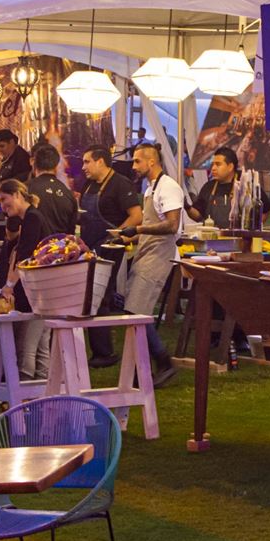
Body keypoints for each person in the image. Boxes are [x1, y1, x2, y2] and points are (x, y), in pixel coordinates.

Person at [118, 144, 183, 386]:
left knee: (136, 313)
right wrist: (127, 238)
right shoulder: (150, 189)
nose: (134, 166)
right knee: (134, 312)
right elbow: (150, 227)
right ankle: (142, 370)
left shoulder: (169, 187)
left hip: (159, 256)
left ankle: (161, 363)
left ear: (151, 162)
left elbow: (172, 225)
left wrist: (137, 229)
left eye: (137, 161)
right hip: (146, 252)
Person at [80, 145, 143, 367]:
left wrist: (115, 236)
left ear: (100, 162)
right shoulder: (89, 184)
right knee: (89, 295)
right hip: (88, 244)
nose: (83, 167)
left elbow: (136, 216)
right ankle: (97, 350)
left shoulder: (120, 184)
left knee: (100, 294)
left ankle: (104, 352)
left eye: (87, 162)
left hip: (109, 246)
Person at [0, 179, 52, 380]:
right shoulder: (32, 217)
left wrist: (9, 285)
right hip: (43, 291)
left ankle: (23, 391)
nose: (2, 206)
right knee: (41, 346)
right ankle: (43, 392)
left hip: (36, 293)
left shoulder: (32, 218)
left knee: (27, 346)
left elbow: (25, 257)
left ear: (17, 194)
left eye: (4, 199)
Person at [26, 144, 77, 236]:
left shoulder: (24, 189)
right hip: (60, 244)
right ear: (56, 165)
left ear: (34, 162)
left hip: (33, 244)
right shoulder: (68, 193)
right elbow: (71, 232)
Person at [187, 147, 239, 226]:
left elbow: (259, 213)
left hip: (236, 234)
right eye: (213, 165)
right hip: (211, 233)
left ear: (230, 167)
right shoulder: (208, 187)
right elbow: (198, 216)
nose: (213, 168)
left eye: (218, 164)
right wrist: (187, 207)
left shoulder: (242, 186)